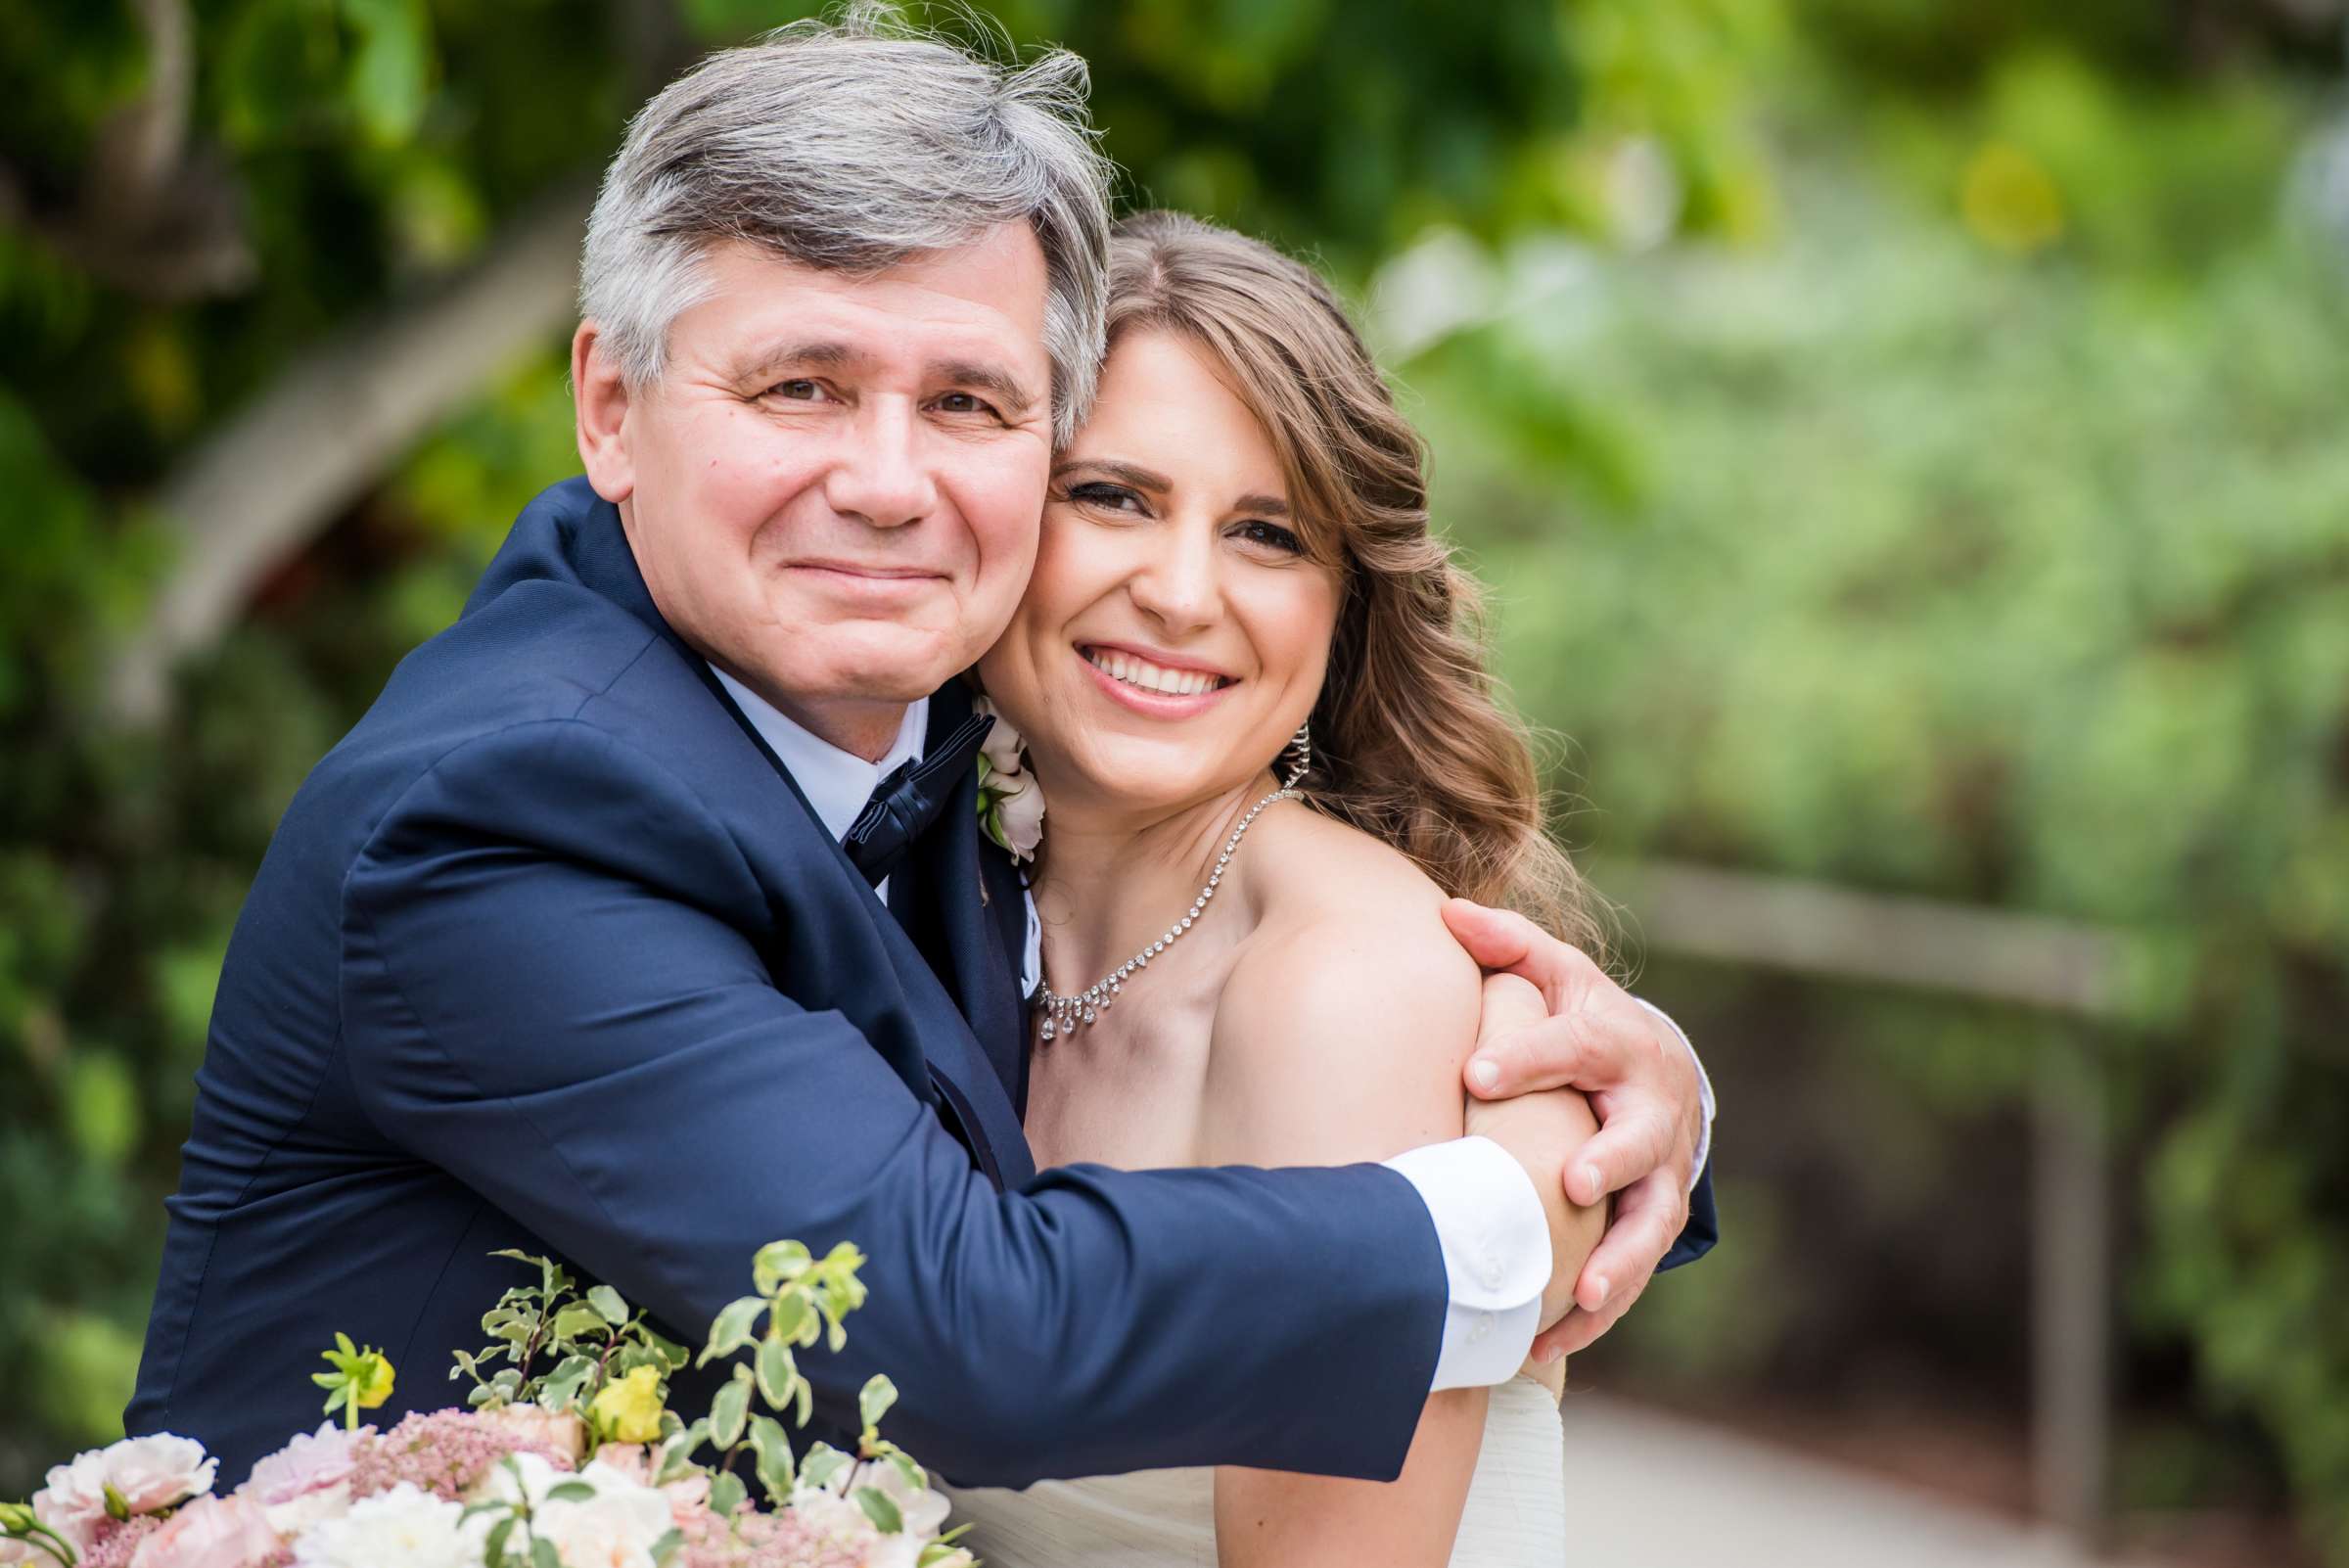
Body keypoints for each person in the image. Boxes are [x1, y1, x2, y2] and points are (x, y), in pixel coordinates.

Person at [126, 8, 1714, 1493]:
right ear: (613, 407)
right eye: (802, 385)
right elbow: (964, 1333)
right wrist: (1520, 1208)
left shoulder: (955, 721)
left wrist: (1647, 1097)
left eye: (967, 401)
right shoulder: (509, 807)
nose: (888, 483)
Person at [943, 210, 1614, 1565]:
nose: (1182, 592)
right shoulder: (943, 911)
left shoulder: (1340, 985)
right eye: (1114, 495)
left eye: (1267, 533)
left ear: (1343, 603)